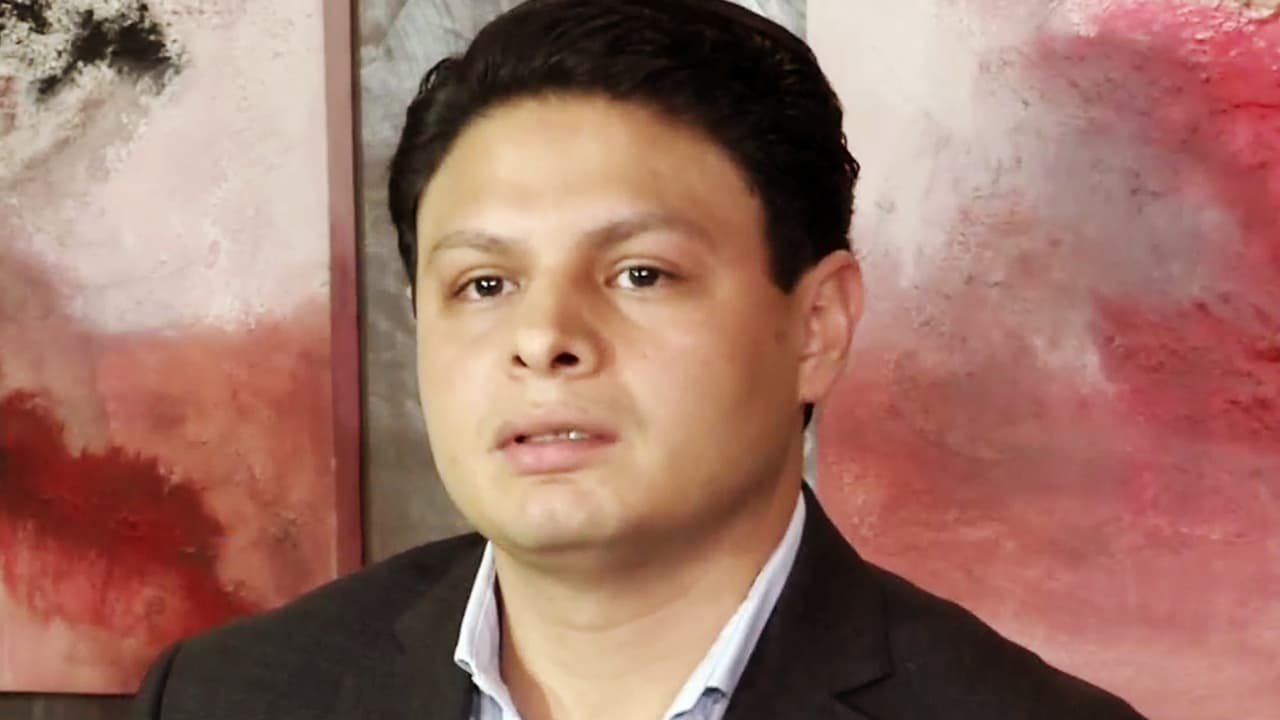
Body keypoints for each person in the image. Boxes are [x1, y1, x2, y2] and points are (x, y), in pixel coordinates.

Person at [130, 1, 1146, 718]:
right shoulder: (226, 698)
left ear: (815, 326)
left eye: (639, 273)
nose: (543, 338)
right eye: (483, 284)